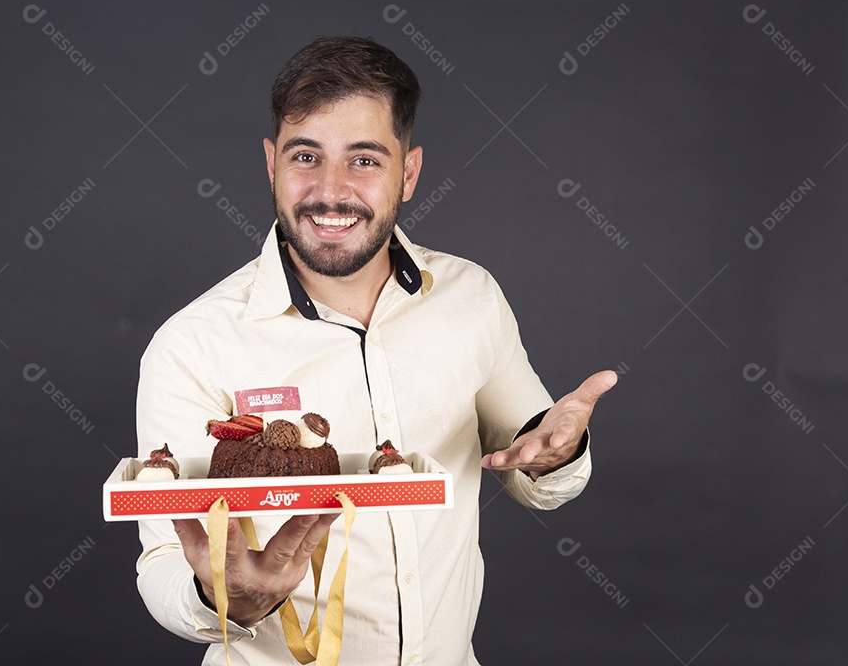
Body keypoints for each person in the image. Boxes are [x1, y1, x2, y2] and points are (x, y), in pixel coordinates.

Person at [135, 35, 617, 665]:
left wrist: (559, 454)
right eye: (305, 156)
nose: (330, 191)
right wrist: (219, 598)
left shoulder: (470, 297)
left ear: (408, 173)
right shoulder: (193, 343)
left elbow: (535, 476)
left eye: (363, 160)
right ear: (271, 165)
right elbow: (164, 563)